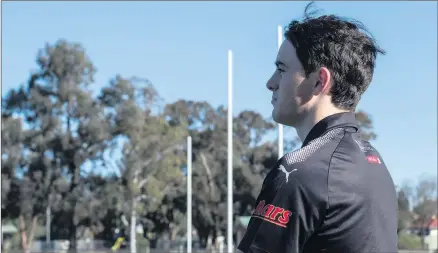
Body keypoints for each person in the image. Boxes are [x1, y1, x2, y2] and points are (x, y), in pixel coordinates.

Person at [237, 3, 398, 253]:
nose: (271, 83)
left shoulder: (299, 172)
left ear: (319, 81)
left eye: (281, 70)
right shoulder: (374, 163)